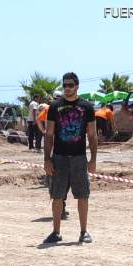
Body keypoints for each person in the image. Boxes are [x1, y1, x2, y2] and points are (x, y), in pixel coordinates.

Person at [43, 72, 98, 244]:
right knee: (57, 195)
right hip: (59, 157)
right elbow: (49, 134)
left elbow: (92, 135)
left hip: (79, 157)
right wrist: (47, 158)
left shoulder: (87, 107)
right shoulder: (54, 106)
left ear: (77, 86)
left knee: (83, 195)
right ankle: (56, 232)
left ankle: (83, 232)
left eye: (70, 85)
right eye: (64, 85)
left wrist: (93, 159)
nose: (67, 88)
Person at [37, 92, 69, 220]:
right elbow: (39, 119)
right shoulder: (51, 109)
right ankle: (61, 205)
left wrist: (44, 131)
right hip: (55, 146)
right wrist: (45, 132)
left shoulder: (53, 109)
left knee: (63, 177)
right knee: (57, 177)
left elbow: (38, 120)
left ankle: (61, 204)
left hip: (61, 145)